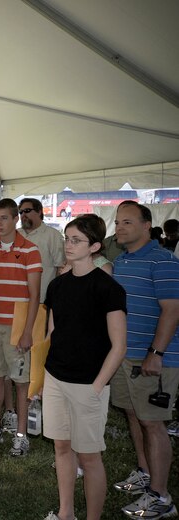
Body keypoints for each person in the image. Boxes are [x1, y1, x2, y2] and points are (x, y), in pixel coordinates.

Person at [42, 216, 127, 520]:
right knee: (62, 448)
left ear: (94, 246)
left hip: (88, 384)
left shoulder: (108, 288)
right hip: (56, 378)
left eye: (76, 240)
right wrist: (43, 376)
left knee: (90, 458)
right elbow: (52, 335)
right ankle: (66, 513)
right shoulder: (57, 286)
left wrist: (96, 386)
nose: (68, 244)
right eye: (67, 238)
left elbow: (119, 346)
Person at [110, 201, 179, 519]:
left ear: (146, 225)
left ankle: (161, 496)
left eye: (127, 222)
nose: (119, 227)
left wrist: (156, 353)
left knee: (153, 423)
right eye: (117, 222)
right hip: (126, 355)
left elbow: (172, 310)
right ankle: (144, 472)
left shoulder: (162, 260)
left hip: (153, 359)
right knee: (134, 415)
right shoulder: (122, 260)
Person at [0, 198, 42, 457]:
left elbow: (34, 295)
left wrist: (27, 331)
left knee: (20, 382)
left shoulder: (30, 250)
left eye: (4, 218)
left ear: (16, 219)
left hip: (17, 327)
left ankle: (21, 434)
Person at [18, 198, 65, 302]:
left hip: (42, 299)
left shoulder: (53, 235)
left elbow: (60, 268)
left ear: (39, 211)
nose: (23, 215)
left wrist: (54, 295)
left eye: (27, 211)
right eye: (20, 212)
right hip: (17, 298)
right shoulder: (15, 234)